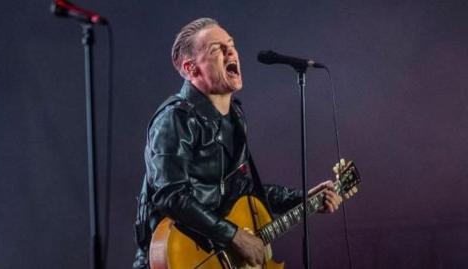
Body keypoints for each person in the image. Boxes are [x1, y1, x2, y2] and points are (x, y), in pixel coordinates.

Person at [132, 18, 343, 269]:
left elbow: (244, 190)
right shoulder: (174, 119)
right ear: (191, 69)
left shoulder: (236, 118)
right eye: (215, 49)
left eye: (230, 45)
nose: (230, 51)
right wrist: (233, 235)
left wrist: (302, 199)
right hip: (174, 258)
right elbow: (171, 195)